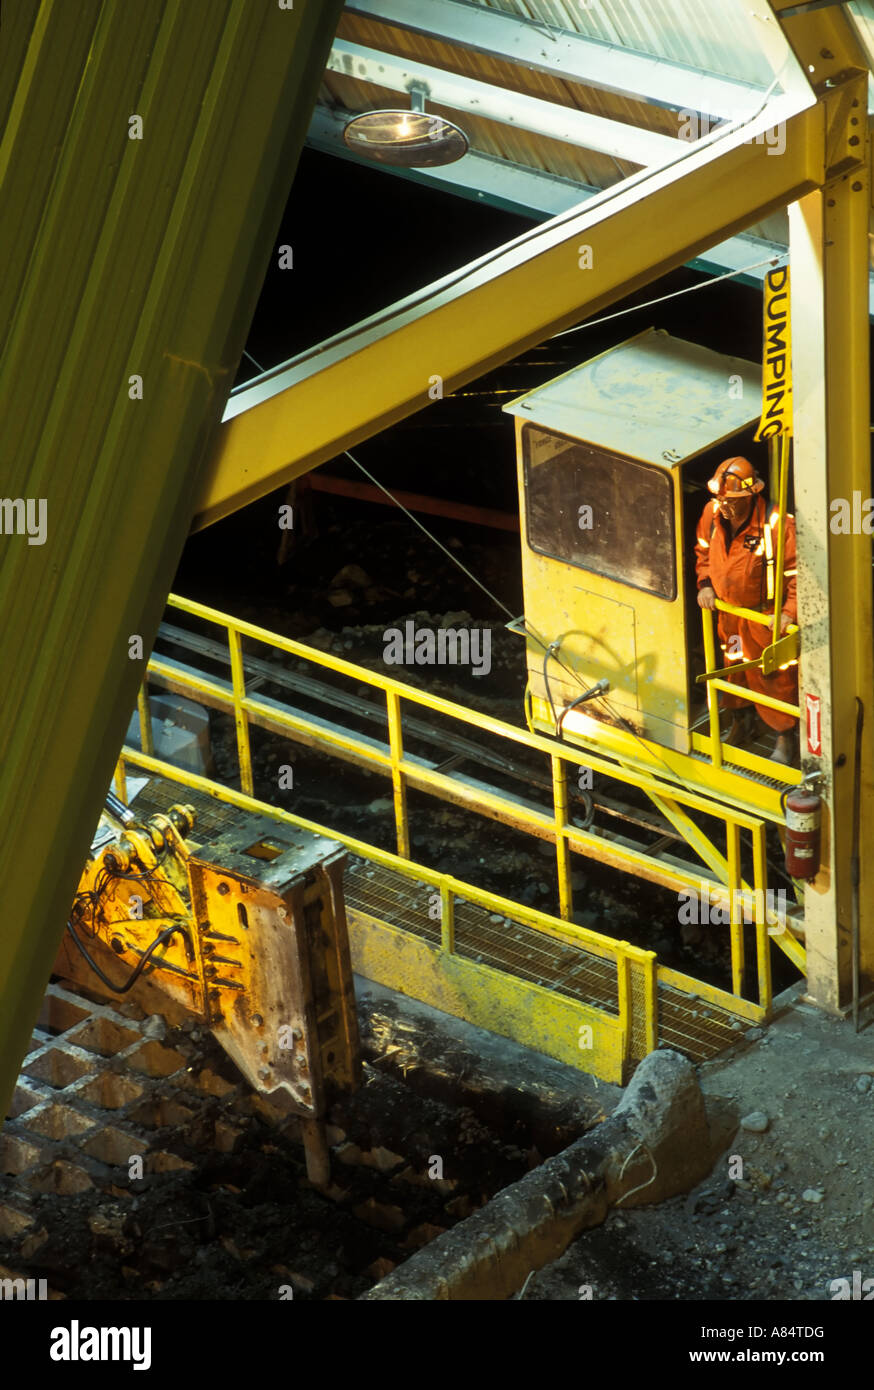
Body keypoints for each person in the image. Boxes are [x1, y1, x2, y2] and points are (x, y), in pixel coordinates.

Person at [694, 456, 798, 765]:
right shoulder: (712, 513)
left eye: (732, 500)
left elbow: (796, 573)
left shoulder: (776, 524)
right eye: (720, 498)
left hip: (763, 619)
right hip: (728, 615)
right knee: (734, 667)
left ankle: (784, 737)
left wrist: (789, 612)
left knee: (774, 677)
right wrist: (706, 584)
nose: (724, 504)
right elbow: (702, 550)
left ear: (751, 496)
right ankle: (740, 721)